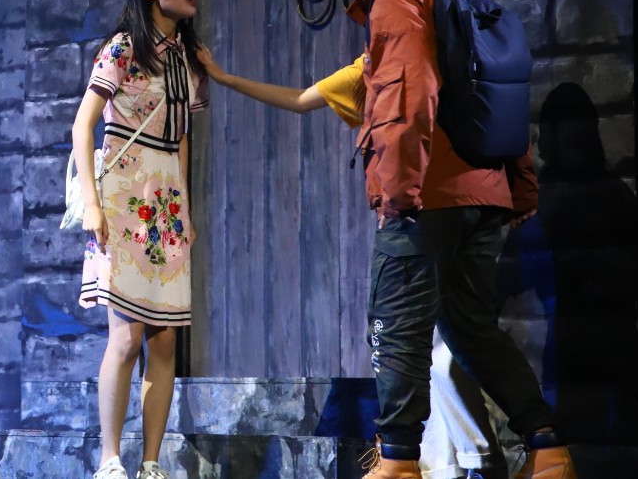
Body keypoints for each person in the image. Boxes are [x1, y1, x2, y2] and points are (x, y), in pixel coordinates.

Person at [337, 0, 574, 479]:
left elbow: (407, 100)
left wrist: (397, 194)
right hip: (484, 191)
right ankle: (547, 450)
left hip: (427, 194)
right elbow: (504, 93)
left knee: (397, 326)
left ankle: (398, 463)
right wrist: (519, 186)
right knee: (471, 328)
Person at [193, 47, 513, 479]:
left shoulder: (440, 54)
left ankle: (473, 459)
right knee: (423, 347)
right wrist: (226, 78)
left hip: (444, 212)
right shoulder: (370, 67)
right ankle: (453, 461)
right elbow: (301, 99)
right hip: (428, 216)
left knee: (436, 344)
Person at [72, 0, 207, 479]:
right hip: (123, 197)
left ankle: (151, 463)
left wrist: (186, 209)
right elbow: (83, 124)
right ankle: (110, 460)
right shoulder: (124, 48)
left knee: (165, 337)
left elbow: (182, 137)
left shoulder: (188, 59)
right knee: (126, 335)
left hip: (166, 203)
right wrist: (91, 204)